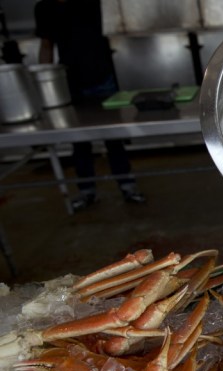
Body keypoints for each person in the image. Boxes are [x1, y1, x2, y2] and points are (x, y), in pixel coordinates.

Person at [34, 0, 145, 212]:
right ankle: (87, 191)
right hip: (69, 83)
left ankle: (127, 185)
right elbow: (46, 46)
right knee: (79, 141)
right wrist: (44, 83)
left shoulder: (93, 3)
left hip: (102, 77)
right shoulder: (45, 8)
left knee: (114, 137)